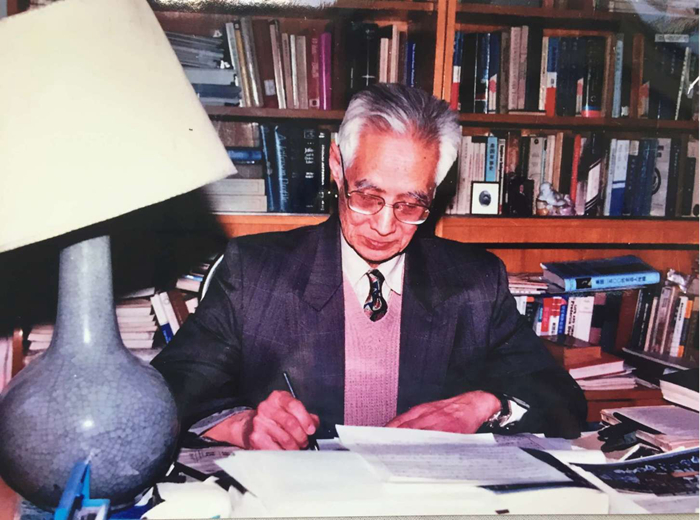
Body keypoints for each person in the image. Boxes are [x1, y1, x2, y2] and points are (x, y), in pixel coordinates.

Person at [152, 84, 586, 450]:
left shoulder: (474, 281)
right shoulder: (255, 272)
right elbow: (165, 391)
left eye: (410, 204)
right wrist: (241, 426)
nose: (384, 226)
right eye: (367, 197)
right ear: (337, 166)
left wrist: (486, 405)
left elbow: (563, 401)